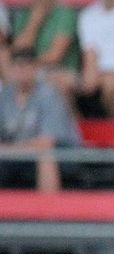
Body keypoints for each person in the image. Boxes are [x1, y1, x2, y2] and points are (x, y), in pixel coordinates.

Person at [0, 47, 80, 192]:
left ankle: (48, 211)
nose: (22, 71)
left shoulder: (49, 94)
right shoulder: (4, 96)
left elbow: (46, 142)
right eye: (18, 66)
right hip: (17, 152)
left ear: (35, 69)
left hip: (62, 153)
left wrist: (9, 150)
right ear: (11, 69)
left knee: (45, 155)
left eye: (27, 66)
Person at [8, 0, 80, 99]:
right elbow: (18, 52)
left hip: (61, 70)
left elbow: (55, 56)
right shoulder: (24, 13)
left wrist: (27, 64)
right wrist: (35, 21)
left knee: (56, 85)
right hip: (30, 69)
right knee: (16, 79)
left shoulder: (64, 12)